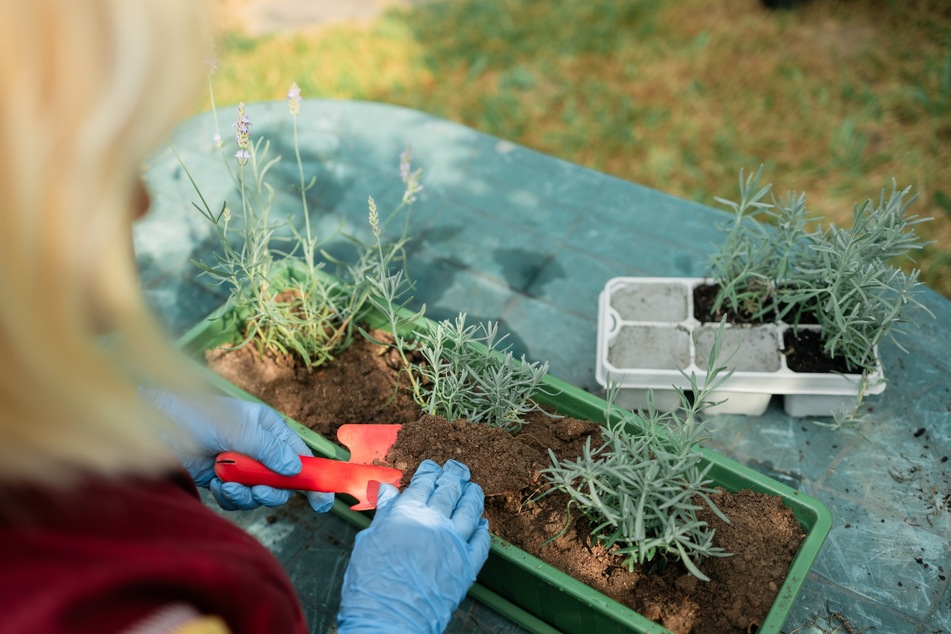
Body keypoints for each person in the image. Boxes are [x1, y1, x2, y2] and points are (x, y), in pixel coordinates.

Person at [0, 1, 490, 633]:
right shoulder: (105, 609)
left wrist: (133, 430)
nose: (142, 202)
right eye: (111, 167)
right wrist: (389, 620)